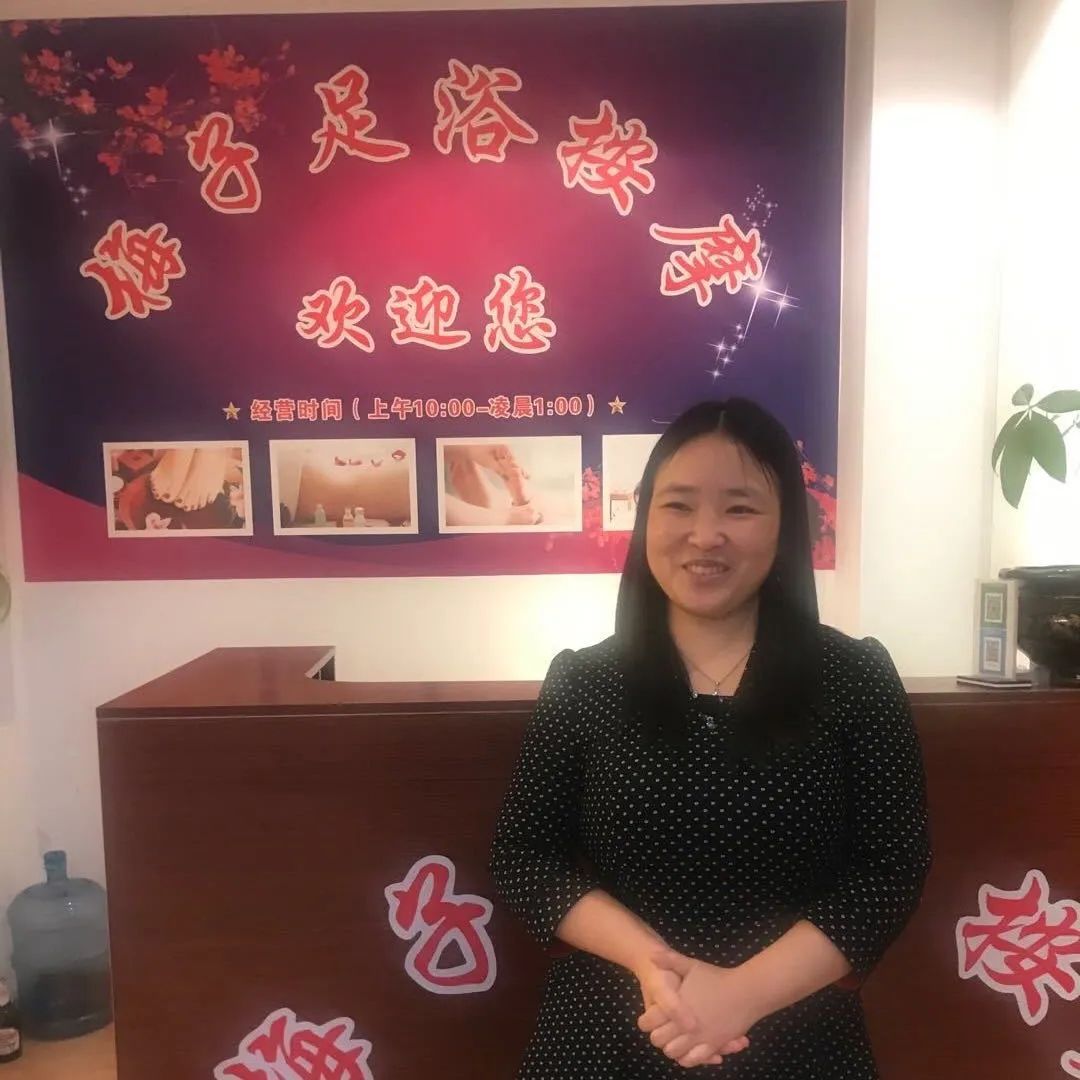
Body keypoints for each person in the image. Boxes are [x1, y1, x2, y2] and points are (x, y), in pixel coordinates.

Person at [489, 398, 932, 1078]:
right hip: (609, 1030)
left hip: (796, 1037)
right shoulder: (584, 680)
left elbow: (890, 869)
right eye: (678, 505)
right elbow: (524, 856)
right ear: (646, 518)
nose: (704, 535)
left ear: (786, 526)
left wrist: (741, 995)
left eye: (740, 508)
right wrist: (651, 961)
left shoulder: (853, 677)